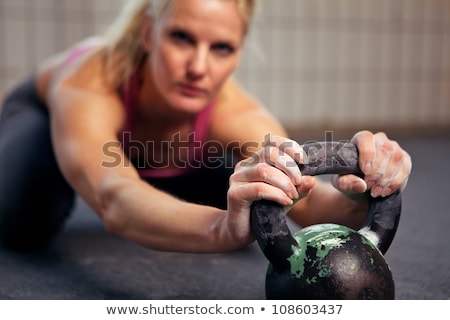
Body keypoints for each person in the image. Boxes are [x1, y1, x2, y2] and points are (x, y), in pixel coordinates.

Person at [0, 0, 411, 253]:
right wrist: (218, 230)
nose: (198, 68)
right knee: (23, 224)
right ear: (148, 33)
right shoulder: (91, 79)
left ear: (238, 51)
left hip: (166, 157)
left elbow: (305, 201)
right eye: (181, 37)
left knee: (253, 188)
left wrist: (368, 190)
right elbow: (113, 198)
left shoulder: (236, 111)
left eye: (221, 48)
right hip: (44, 127)